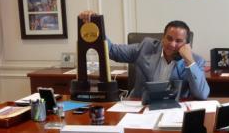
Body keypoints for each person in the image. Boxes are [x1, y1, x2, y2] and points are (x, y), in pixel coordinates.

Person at [79, 11, 210, 100]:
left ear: (186, 44)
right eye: (169, 38)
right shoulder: (146, 47)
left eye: (179, 41)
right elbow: (112, 50)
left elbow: (202, 94)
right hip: (140, 105)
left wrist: (189, 61)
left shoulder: (195, 61)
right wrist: (94, 26)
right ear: (162, 38)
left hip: (173, 111)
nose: (172, 44)